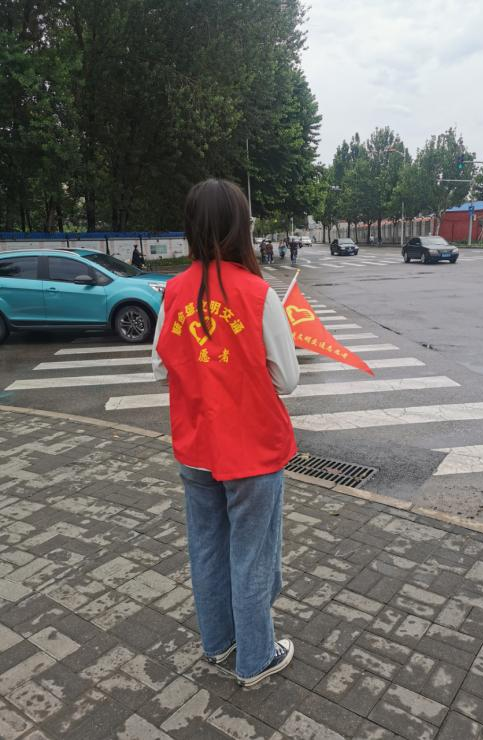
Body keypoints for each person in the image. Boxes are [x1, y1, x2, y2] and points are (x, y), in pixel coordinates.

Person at [152, 179, 299, 688]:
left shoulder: (173, 291)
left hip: (196, 449)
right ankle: (256, 658)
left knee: (208, 550)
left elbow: (160, 367)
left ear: (192, 227)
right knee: (251, 558)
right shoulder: (258, 293)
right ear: (241, 227)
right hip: (253, 452)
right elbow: (288, 380)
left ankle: (218, 643)